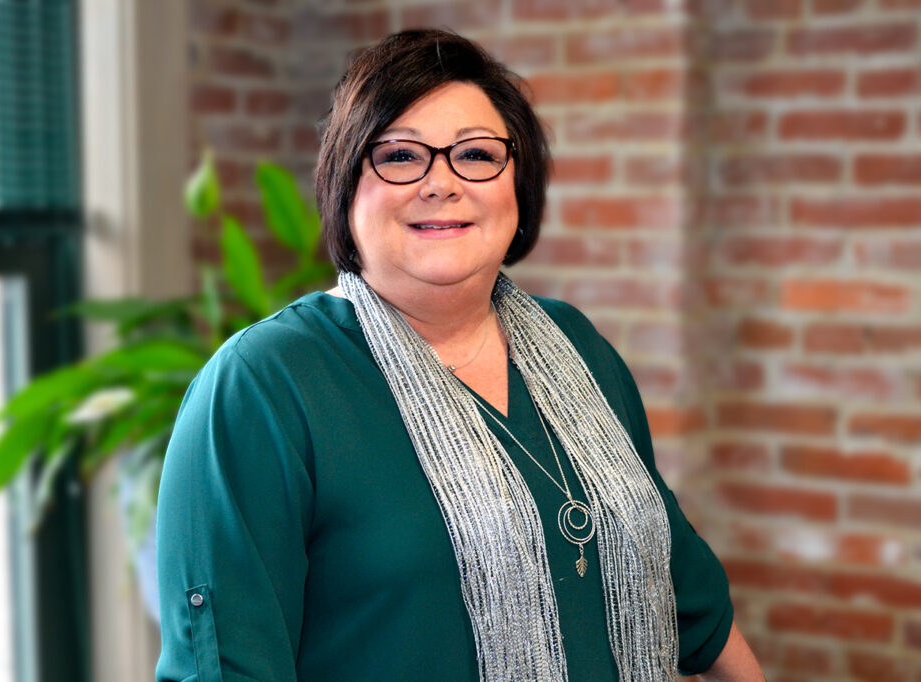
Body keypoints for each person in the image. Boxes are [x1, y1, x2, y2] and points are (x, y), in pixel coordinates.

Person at [156, 28, 764, 682]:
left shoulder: (577, 347)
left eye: (475, 155)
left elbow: (685, 588)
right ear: (346, 188)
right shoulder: (265, 385)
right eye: (399, 156)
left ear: (518, 186)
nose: (441, 182)